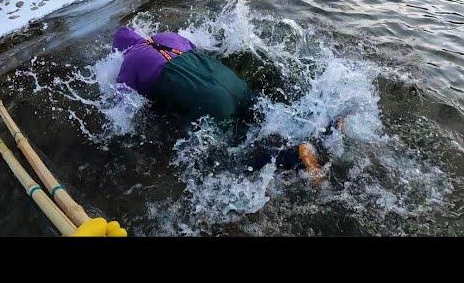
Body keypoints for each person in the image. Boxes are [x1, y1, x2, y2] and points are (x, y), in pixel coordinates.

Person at [112, 26, 326, 181]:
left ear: (122, 50)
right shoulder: (167, 35)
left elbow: (123, 108)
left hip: (212, 102)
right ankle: (325, 132)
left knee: (233, 157)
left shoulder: (129, 62)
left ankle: (293, 158)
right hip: (233, 84)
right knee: (263, 121)